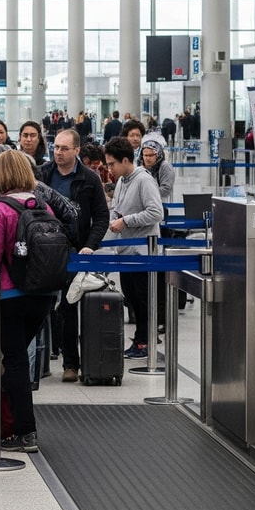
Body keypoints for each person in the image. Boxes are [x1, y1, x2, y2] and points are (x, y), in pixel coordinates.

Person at [0, 150, 68, 451]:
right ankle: (15, 424)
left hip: (9, 294)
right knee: (17, 357)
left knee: (13, 361)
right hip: (43, 294)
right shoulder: (44, 206)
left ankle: (25, 431)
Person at [41, 129, 110, 380]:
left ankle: (71, 363)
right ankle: (42, 360)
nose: (58, 152)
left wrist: (90, 245)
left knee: (69, 307)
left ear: (77, 151)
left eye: (64, 148)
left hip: (76, 250)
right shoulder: (43, 174)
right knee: (44, 305)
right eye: (56, 147)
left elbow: (102, 216)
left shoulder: (89, 179)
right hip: (46, 249)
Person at [105, 138, 164, 358]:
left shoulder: (143, 180)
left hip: (142, 252)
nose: (110, 168)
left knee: (142, 298)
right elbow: (117, 207)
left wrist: (127, 221)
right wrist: (115, 219)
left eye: (112, 164)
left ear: (126, 160)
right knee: (132, 296)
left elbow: (156, 213)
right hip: (126, 250)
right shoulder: (122, 180)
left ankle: (145, 342)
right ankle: (140, 339)